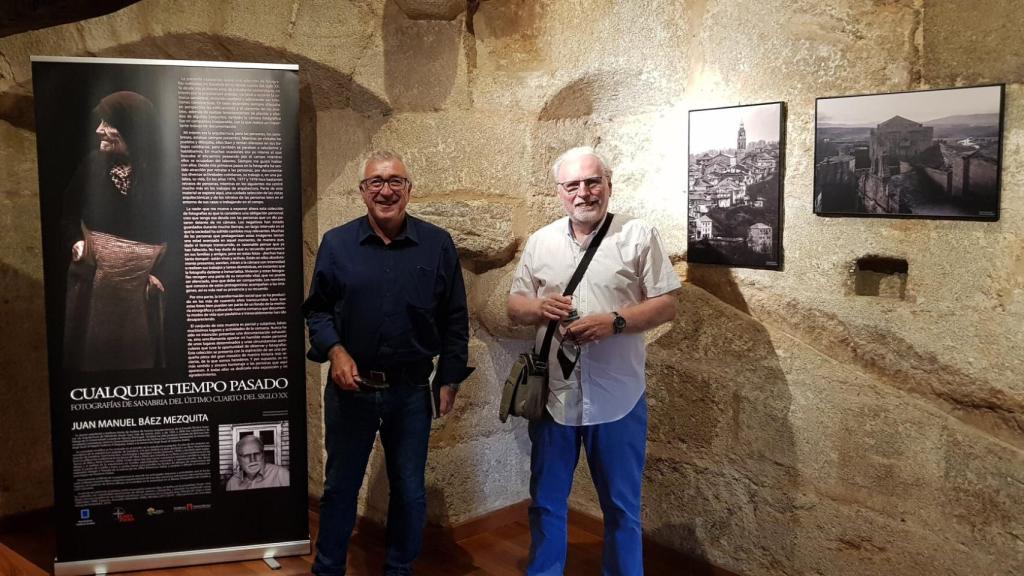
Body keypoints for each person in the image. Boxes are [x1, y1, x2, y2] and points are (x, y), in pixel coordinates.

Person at [507, 146, 680, 575]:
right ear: (560, 193)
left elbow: (668, 304)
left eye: (592, 182)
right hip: (553, 398)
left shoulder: (639, 235)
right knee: (546, 502)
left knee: (622, 508)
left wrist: (615, 322)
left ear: (608, 184)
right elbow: (515, 305)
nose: (584, 192)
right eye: (573, 185)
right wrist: (538, 309)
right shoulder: (540, 242)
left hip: (618, 397)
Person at [303, 150, 473, 576]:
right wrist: (336, 351)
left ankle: (399, 570)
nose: (386, 189)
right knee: (340, 490)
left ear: (409, 190)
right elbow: (317, 310)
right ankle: (327, 570)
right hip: (351, 389)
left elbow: (455, 315)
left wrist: (449, 376)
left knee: (411, 492)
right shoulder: (337, 243)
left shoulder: (437, 244)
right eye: (376, 181)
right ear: (363, 193)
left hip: (411, 391)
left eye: (395, 181)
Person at [62, 90, 169, 371]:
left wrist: (161, 273)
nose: (99, 130)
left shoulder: (163, 174)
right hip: (94, 277)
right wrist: (76, 242)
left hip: (140, 287)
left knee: (136, 353)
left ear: (132, 128)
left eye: (109, 123)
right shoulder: (93, 165)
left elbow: (181, 232)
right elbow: (68, 214)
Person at [226, 435, 290, 490]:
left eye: (257, 454)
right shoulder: (232, 483)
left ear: (263, 454)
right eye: (246, 455)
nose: (252, 459)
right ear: (238, 459)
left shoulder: (281, 475)